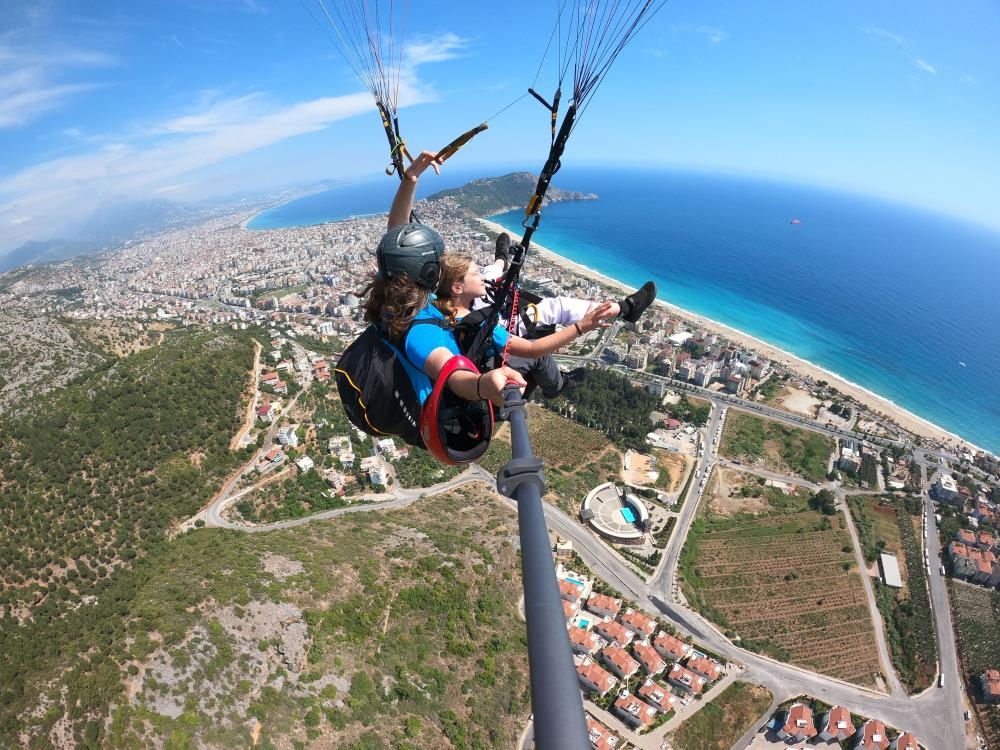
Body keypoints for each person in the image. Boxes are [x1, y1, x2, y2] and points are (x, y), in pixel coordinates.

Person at [360, 150, 612, 412]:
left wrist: (410, 178)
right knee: (537, 356)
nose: (481, 275)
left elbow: (394, 242)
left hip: (451, 372)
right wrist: (483, 385)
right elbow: (455, 376)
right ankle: (556, 385)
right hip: (455, 413)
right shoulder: (424, 330)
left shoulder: (393, 294)